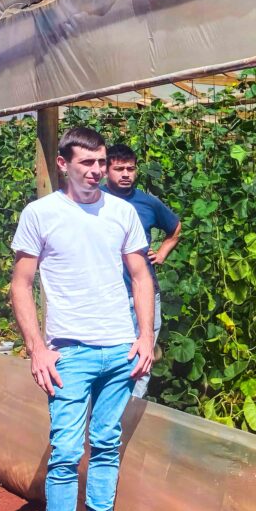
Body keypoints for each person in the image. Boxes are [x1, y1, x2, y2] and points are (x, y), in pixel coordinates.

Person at [10, 126, 154, 511]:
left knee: (107, 443)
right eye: (86, 163)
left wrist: (145, 335)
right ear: (63, 164)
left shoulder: (122, 212)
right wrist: (37, 348)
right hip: (68, 351)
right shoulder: (41, 214)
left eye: (100, 162)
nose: (95, 171)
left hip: (119, 350)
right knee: (67, 451)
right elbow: (21, 283)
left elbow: (140, 276)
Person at [103, 143, 181, 398]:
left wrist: (162, 252)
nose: (126, 174)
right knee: (110, 356)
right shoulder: (95, 200)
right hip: (108, 293)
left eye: (131, 169)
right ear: (106, 170)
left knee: (142, 355)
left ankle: (131, 410)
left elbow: (175, 228)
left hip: (145, 292)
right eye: (119, 169)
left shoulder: (147, 203)